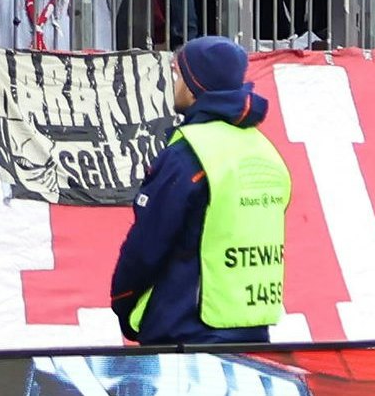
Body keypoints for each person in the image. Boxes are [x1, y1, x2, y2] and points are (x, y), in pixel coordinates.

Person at [109, 35, 289, 348]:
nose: (175, 83)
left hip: (185, 331)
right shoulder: (264, 149)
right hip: (254, 329)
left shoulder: (189, 153)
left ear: (195, 85)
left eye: (179, 74)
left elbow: (147, 244)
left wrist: (123, 301)